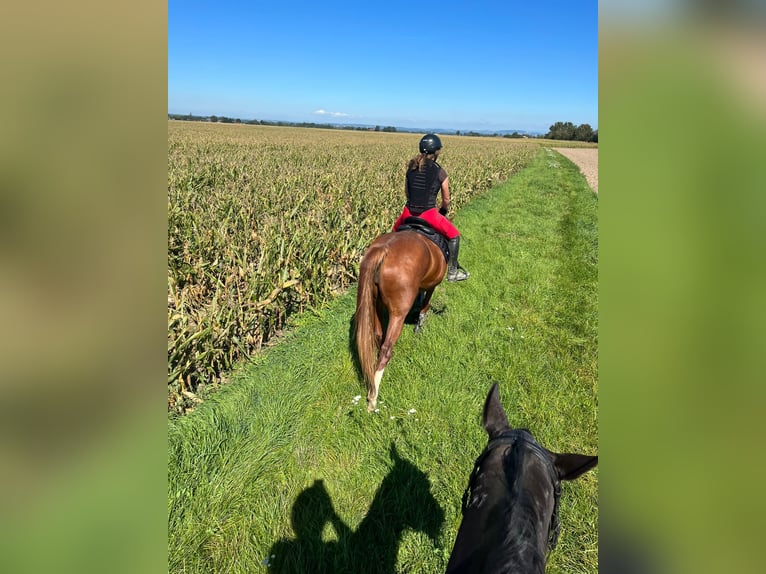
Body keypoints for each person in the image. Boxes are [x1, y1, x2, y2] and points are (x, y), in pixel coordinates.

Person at [392, 133, 470, 281]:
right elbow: (446, 198)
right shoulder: (440, 171)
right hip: (428, 214)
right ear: (436, 152)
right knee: (454, 235)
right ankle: (453, 272)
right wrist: (443, 211)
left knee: (392, 234)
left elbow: (407, 192)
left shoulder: (411, 167)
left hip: (407, 213)